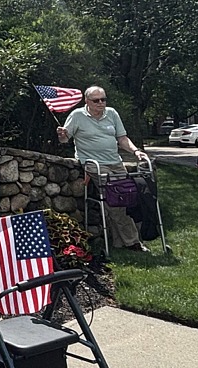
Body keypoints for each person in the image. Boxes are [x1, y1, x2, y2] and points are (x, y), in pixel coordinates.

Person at [57, 86, 149, 252]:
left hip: (116, 161)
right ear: (87, 101)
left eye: (103, 99)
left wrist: (136, 151)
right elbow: (64, 139)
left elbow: (122, 138)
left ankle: (119, 242)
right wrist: (62, 135)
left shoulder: (112, 113)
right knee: (116, 197)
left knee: (128, 198)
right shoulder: (77, 115)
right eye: (96, 100)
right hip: (94, 164)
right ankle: (133, 242)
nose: (101, 103)